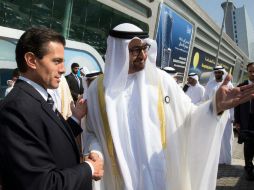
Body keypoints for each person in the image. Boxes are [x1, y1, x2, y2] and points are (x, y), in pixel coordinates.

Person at [82, 23, 254, 190]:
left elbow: (189, 117)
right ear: (118, 51)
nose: (142, 55)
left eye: (144, 48)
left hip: (158, 178)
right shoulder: (97, 90)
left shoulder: (161, 81)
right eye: (135, 50)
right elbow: (91, 133)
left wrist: (215, 106)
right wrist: (95, 151)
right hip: (118, 180)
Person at [0, 27, 103, 190]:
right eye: (56, 61)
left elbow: (47, 136)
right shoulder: (16, 109)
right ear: (31, 60)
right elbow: (41, 184)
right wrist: (89, 168)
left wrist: (75, 118)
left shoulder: (37, 98)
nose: (63, 69)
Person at [204, 66, 234, 165]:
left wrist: (232, 117)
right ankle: (215, 160)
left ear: (222, 73)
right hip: (213, 114)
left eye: (219, 72)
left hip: (226, 115)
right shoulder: (209, 84)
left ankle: (227, 161)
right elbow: (205, 99)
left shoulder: (229, 85)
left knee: (226, 139)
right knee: (213, 138)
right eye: (216, 72)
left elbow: (233, 101)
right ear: (214, 73)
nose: (217, 74)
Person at [234, 62, 254, 181]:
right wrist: (237, 121)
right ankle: (249, 170)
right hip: (246, 120)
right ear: (247, 72)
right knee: (248, 147)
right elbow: (237, 105)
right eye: (250, 71)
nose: (252, 73)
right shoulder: (241, 86)